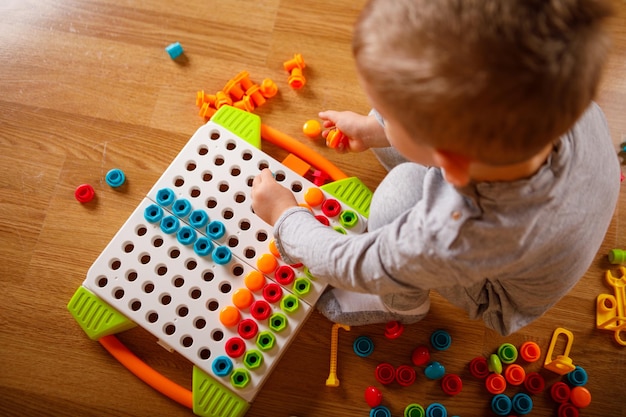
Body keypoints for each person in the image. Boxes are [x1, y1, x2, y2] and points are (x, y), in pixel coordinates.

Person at [251, 0, 619, 335]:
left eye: (389, 116)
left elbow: (354, 264)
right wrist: (381, 129)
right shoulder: (550, 84)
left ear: (451, 165)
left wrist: (286, 217)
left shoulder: (455, 231)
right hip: (581, 193)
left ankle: (401, 305)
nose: (375, 109)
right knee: (413, 103)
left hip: (504, 291)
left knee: (396, 199)